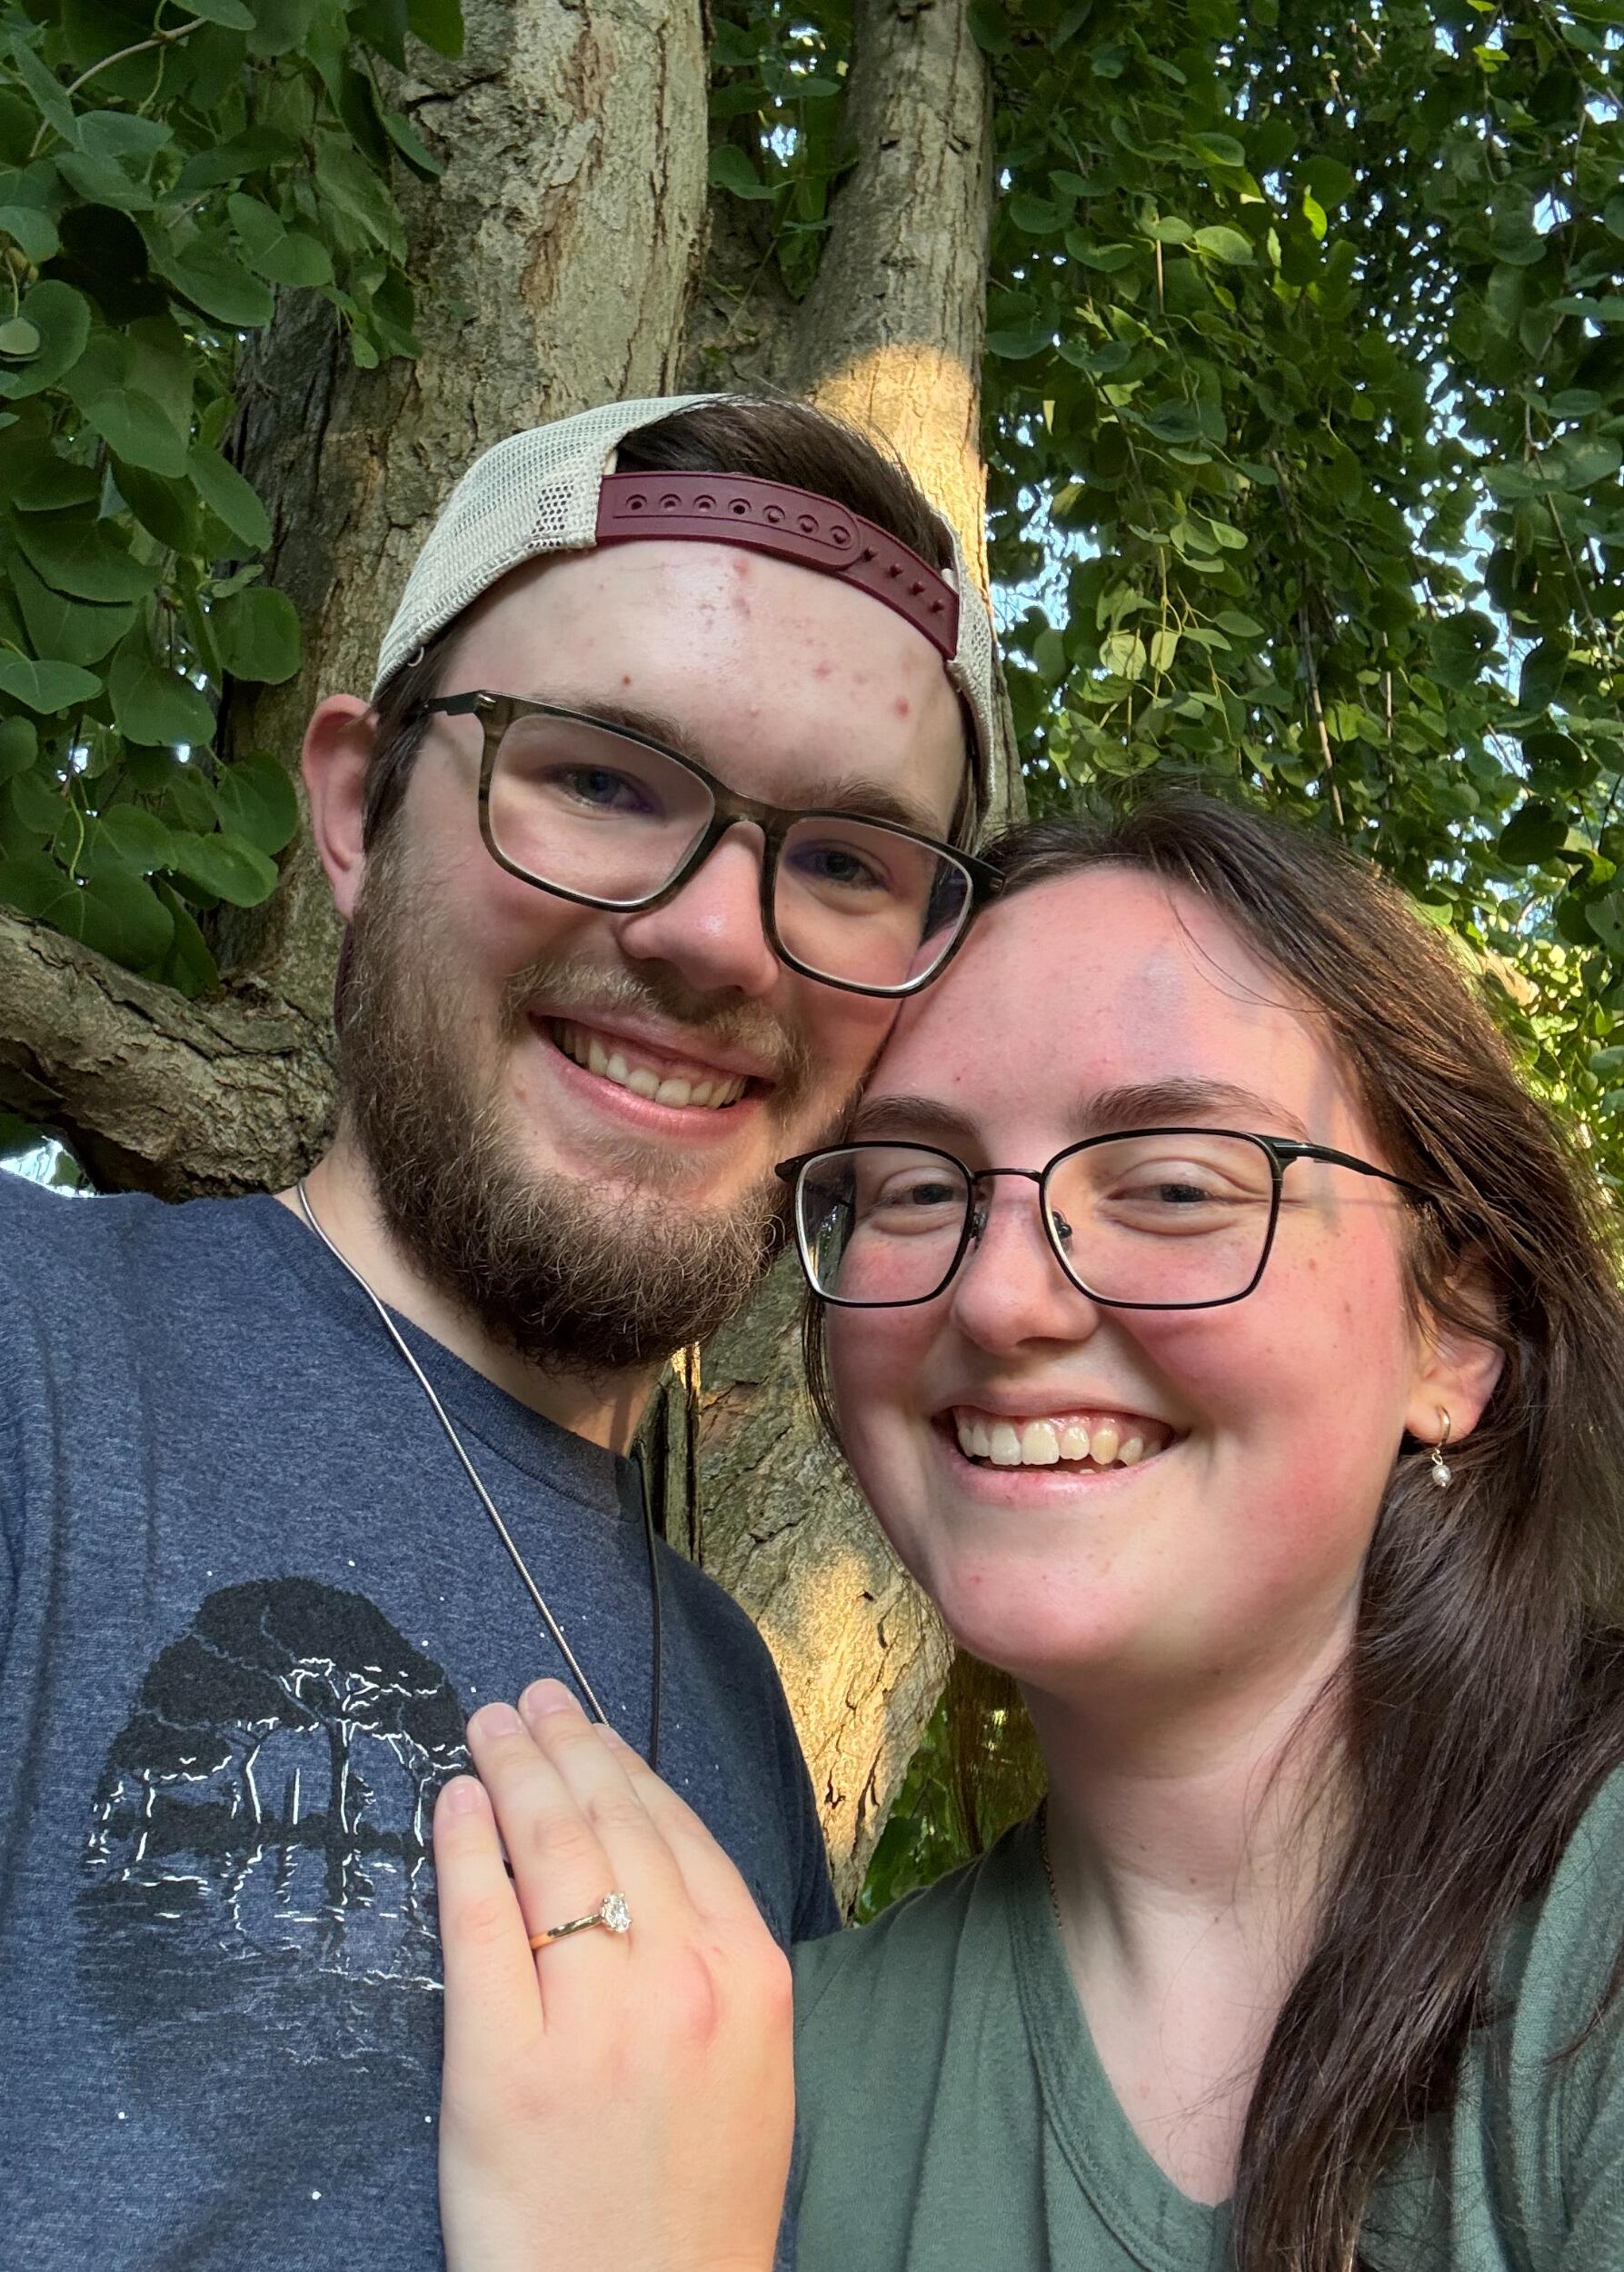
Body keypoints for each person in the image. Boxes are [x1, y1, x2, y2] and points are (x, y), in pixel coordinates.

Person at [0, 393, 1002, 2272]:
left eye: (844, 859)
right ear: (353, 808)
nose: (724, 940)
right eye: (599, 778)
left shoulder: (735, 1700)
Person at [431, 794, 1624, 2272]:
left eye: (1176, 1185)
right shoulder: (758, 2085)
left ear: (1454, 1333)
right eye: (920, 1189)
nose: (999, 1300)